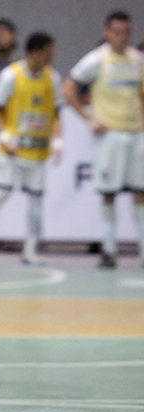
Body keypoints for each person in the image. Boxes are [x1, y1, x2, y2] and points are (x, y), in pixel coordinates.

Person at [0, 32, 64, 265]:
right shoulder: (11, 75)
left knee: (36, 199)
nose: (52, 56)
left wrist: (58, 140)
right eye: (49, 51)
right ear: (38, 52)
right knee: (2, 191)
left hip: (39, 150)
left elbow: (56, 114)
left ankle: (30, 249)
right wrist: (5, 137)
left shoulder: (52, 78)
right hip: (13, 150)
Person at [63, 10, 144, 269]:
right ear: (107, 32)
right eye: (116, 32)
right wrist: (88, 119)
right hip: (110, 135)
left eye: (126, 32)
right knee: (109, 193)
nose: (121, 37)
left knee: (140, 193)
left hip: (136, 133)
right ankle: (109, 250)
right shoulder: (96, 60)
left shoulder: (136, 59)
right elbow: (68, 88)